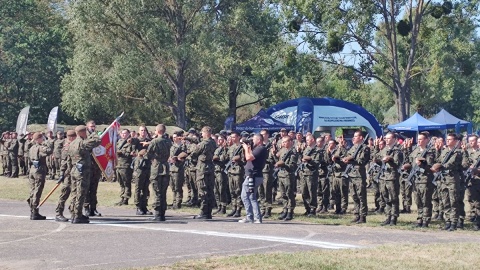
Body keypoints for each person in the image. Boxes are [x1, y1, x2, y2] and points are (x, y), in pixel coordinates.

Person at [67, 125, 101, 224]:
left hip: (74, 170)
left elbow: (69, 160)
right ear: (82, 132)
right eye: (85, 132)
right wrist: (92, 132)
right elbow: (98, 140)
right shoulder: (82, 143)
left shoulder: (72, 143)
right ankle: (78, 215)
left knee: (74, 193)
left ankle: (74, 213)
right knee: (81, 193)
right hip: (82, 171)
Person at [402, 132, 435, 227]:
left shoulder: (429, 152)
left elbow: (430, 167)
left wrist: (422, 164)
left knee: (426, 201)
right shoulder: (415, 151)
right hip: (416, 179)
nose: (419, 141)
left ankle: (426, 220)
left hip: (425, 180)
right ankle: (420, 218)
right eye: (418, 139)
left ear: (426, 140)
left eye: (421, 139)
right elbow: (410, 162)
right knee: (418, 201)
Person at [432, 133, 463, 231]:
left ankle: (454, 222)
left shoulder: (457, 152)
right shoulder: (444, 151)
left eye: (450, 139)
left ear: (455, 141)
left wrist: (439, 166)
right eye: (447, 139)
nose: (448, 141)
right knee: (445, 201)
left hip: (452, 179)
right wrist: (437, 151)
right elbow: (438, 160)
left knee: (453, 201)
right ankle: (448, 221)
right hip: (444, 179)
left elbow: (451, 164)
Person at [342, 131, 370, 223]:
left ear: (361, 137)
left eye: (356, 136)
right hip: (351, 174)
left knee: (361, 196)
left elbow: (361, 161)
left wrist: (351, 159)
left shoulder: (365, 148)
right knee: (354, 196)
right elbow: (348, 155)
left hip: (359, 175)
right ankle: (356, 214)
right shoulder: (353, 147)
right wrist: (346, 159)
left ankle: (363, 216)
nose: (354, 138)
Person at [238, 134, 268, 223]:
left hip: (253, 176)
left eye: (254, 139)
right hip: (253, 175)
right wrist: (248, 147)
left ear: (259, 140)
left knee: (244, 196)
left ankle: (250, 216)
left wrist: (246, 148)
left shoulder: (261, 148)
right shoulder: (257, 148)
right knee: (252, 197)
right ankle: (256, 217)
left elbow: (249, 157)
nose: (252, 140)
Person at [145, 124, 172, 221]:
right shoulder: (168, 141)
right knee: (163, 191)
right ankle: (162, 213)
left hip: (157, 167)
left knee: (157, 191)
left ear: (158, 131)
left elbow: (148, 155)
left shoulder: (155, 141)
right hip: (166, 167)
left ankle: (157, 213)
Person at [376, 133, 403, 226]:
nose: (386, 140)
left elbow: (397, 164)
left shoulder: (397, 151)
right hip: (383, 176)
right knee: (385, 197)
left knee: (393, 198)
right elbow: (378, 159)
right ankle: (388, 216)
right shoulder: (384, 150)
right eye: (385, 138)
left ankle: (393, 217)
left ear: (394, 139)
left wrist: (390, 159)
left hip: (392, 176)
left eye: (388, 138)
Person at [190, 126, 217, 219]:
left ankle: (203, 211)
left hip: (202, 168)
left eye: (202, 132)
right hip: (210, 167)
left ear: (206, 133)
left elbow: (194, 153)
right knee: (209, 189)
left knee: (202, 190)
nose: (201, 134)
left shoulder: (203, 144)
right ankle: (208, 211)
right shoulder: (213, 143)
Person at [27, 132, 53, 220]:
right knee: (37, 190)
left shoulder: (32, 148)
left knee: (32, 190)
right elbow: (49, 150)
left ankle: (32, 210)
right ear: (38, 139)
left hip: (32, 169)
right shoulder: (40, 148)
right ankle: (35, 211)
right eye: (42, 138)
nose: (43, 139)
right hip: (39, 170)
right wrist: (46, 141)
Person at [55, 130, 77, 222]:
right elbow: (64, 162)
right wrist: (61, 174)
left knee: (75, 193)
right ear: (71, 137)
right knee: (65, 193)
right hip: (67, 174)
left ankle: (73, 212)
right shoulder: (66, 147)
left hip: (74, 173)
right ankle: (58, 213)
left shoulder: (74, 145)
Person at [274, 136, 298, 221]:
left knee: (289, 194)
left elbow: (293, 165)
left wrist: (283, 164)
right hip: (281, 174)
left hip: (288, 175)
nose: (284, 143)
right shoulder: (282, 150)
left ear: (291, 141)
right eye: (283, 142)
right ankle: (284, 210)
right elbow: (277, 159)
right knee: (283, 194)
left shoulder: (293, 151)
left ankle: (290, 212)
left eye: (285, 142)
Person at [298, 134, 320, 216]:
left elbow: (317, 163)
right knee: (304, 192)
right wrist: (299, 152)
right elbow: (301, 159)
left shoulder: (317, 150)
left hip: (311, 173)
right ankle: (307, 208)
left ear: (312, 140)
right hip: (304, 173)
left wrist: (309, 160)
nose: (306, 141)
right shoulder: (306, 149)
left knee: (312, 192)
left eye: (308, 140)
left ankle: (312, 209)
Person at [84, 120, 103, 217]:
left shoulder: (97, 136)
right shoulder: (85, 136)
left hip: (96, 166)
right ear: (87, 126)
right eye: (91, 126)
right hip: (87, 166)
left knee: (94, 188)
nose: (93, 128)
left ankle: (93, 208)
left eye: (94, 126)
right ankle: (86, 207)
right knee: (86, 188)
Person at [226, 131, 245, 217]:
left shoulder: (242, 147)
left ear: (238, 137)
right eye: (231, 137)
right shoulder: (231, 147)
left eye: (234, 137)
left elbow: (245, 160)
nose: (232, 139)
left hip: (238, 171)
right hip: (231, 171)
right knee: (232, 191)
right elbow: (227, 158)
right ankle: (233, 208)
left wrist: (239, 159)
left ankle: (238, 209)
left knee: (238, 191)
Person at [115, 129, 136, 206]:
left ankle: (126, 198)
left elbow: (131, 153)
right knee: (121, 183)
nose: (124, 135)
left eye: (125, 133)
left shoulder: (130, 143)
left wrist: (121, 152)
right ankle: (122, 197)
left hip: (125, 165)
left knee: (126, 182)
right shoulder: (119, 142)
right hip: (118, 165)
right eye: (122, 133)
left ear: (128, 134)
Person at [169, 132, 187, 209]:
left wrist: (178, 158)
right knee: (172, 186)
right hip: (171, 168)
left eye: (175, 137)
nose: (174, 138)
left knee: (178, 186)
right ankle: (174, 201)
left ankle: (178, 202)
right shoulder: (172, 146)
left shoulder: (182, 146)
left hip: (178, 168)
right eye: (173, 137)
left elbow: (184, 156)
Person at [212, 135, 229, 215]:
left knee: (222, 190)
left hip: (222, 172)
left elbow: (224, 159)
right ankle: (219, 206)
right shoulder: (217, 149)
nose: (219, 141)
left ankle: (223, 207)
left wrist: (217, 158)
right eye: (218, 139)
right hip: (215, 171)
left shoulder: (226, 150)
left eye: (221, 140)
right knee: (216, 190)